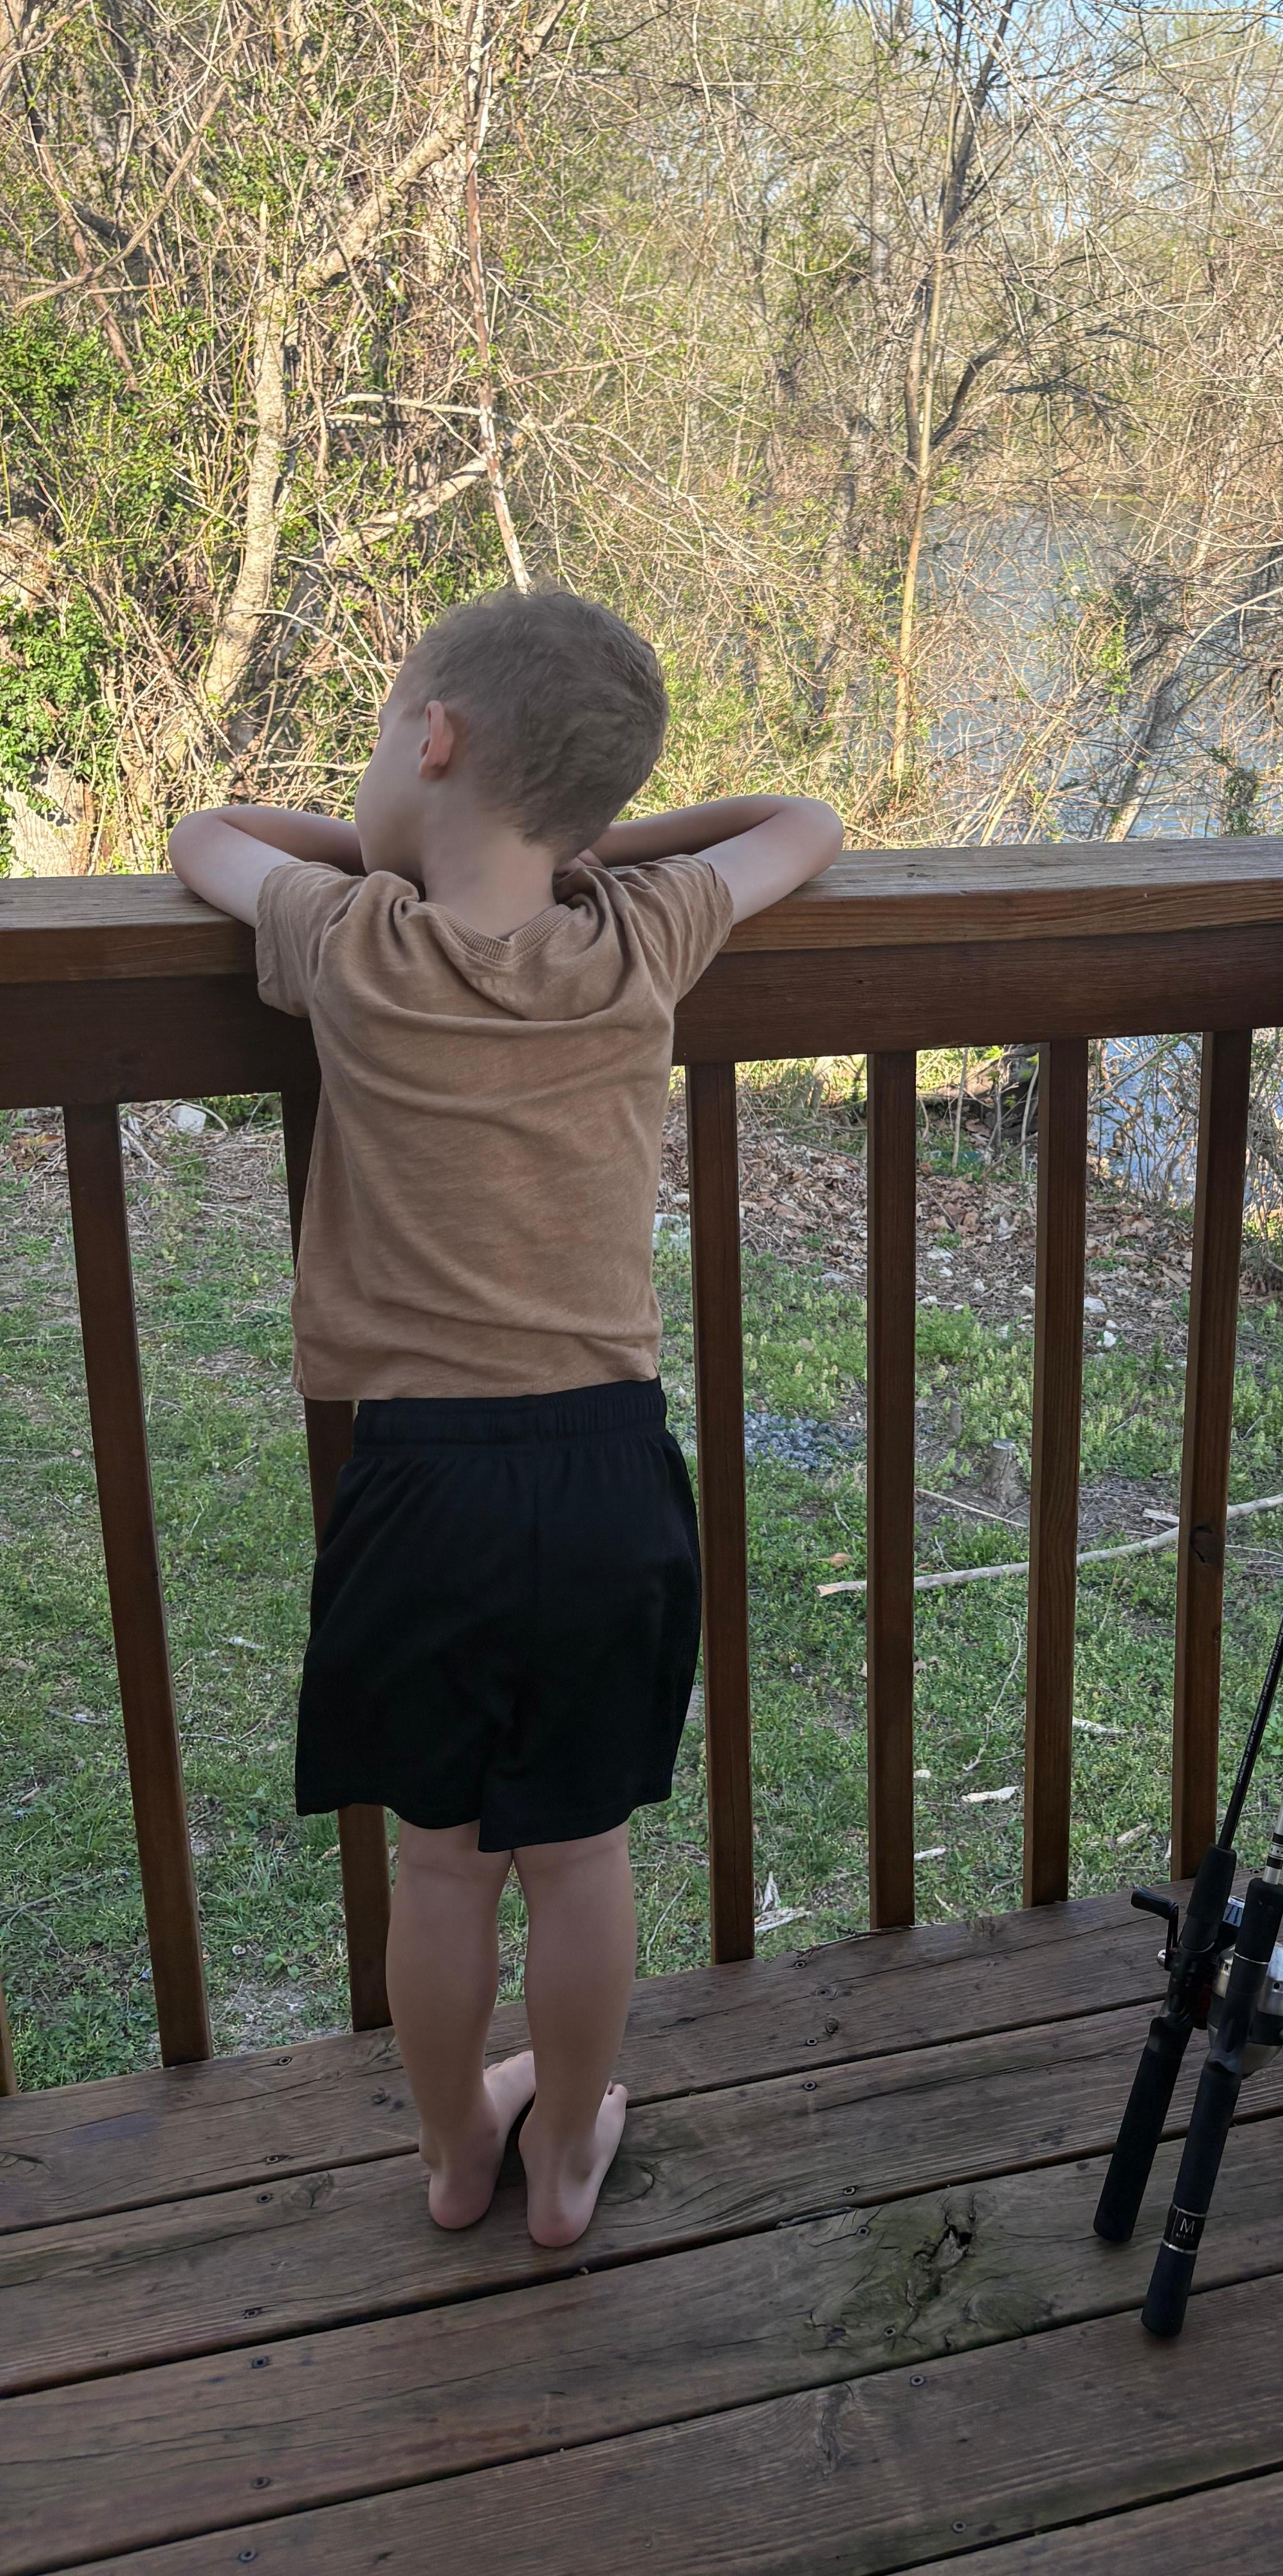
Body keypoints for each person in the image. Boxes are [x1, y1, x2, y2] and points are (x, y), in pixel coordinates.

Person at [169, 588, 842, 2246]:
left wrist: (375, 843)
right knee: (584, 1856)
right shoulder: (640, 932)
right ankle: (562, 2175)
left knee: (445, 1868)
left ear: (437, 737)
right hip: (610, 1472)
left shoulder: (352, 941)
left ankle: (457, 2156)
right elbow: (803, 823)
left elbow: (207, 832)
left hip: (421, 1483)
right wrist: (589, 838)